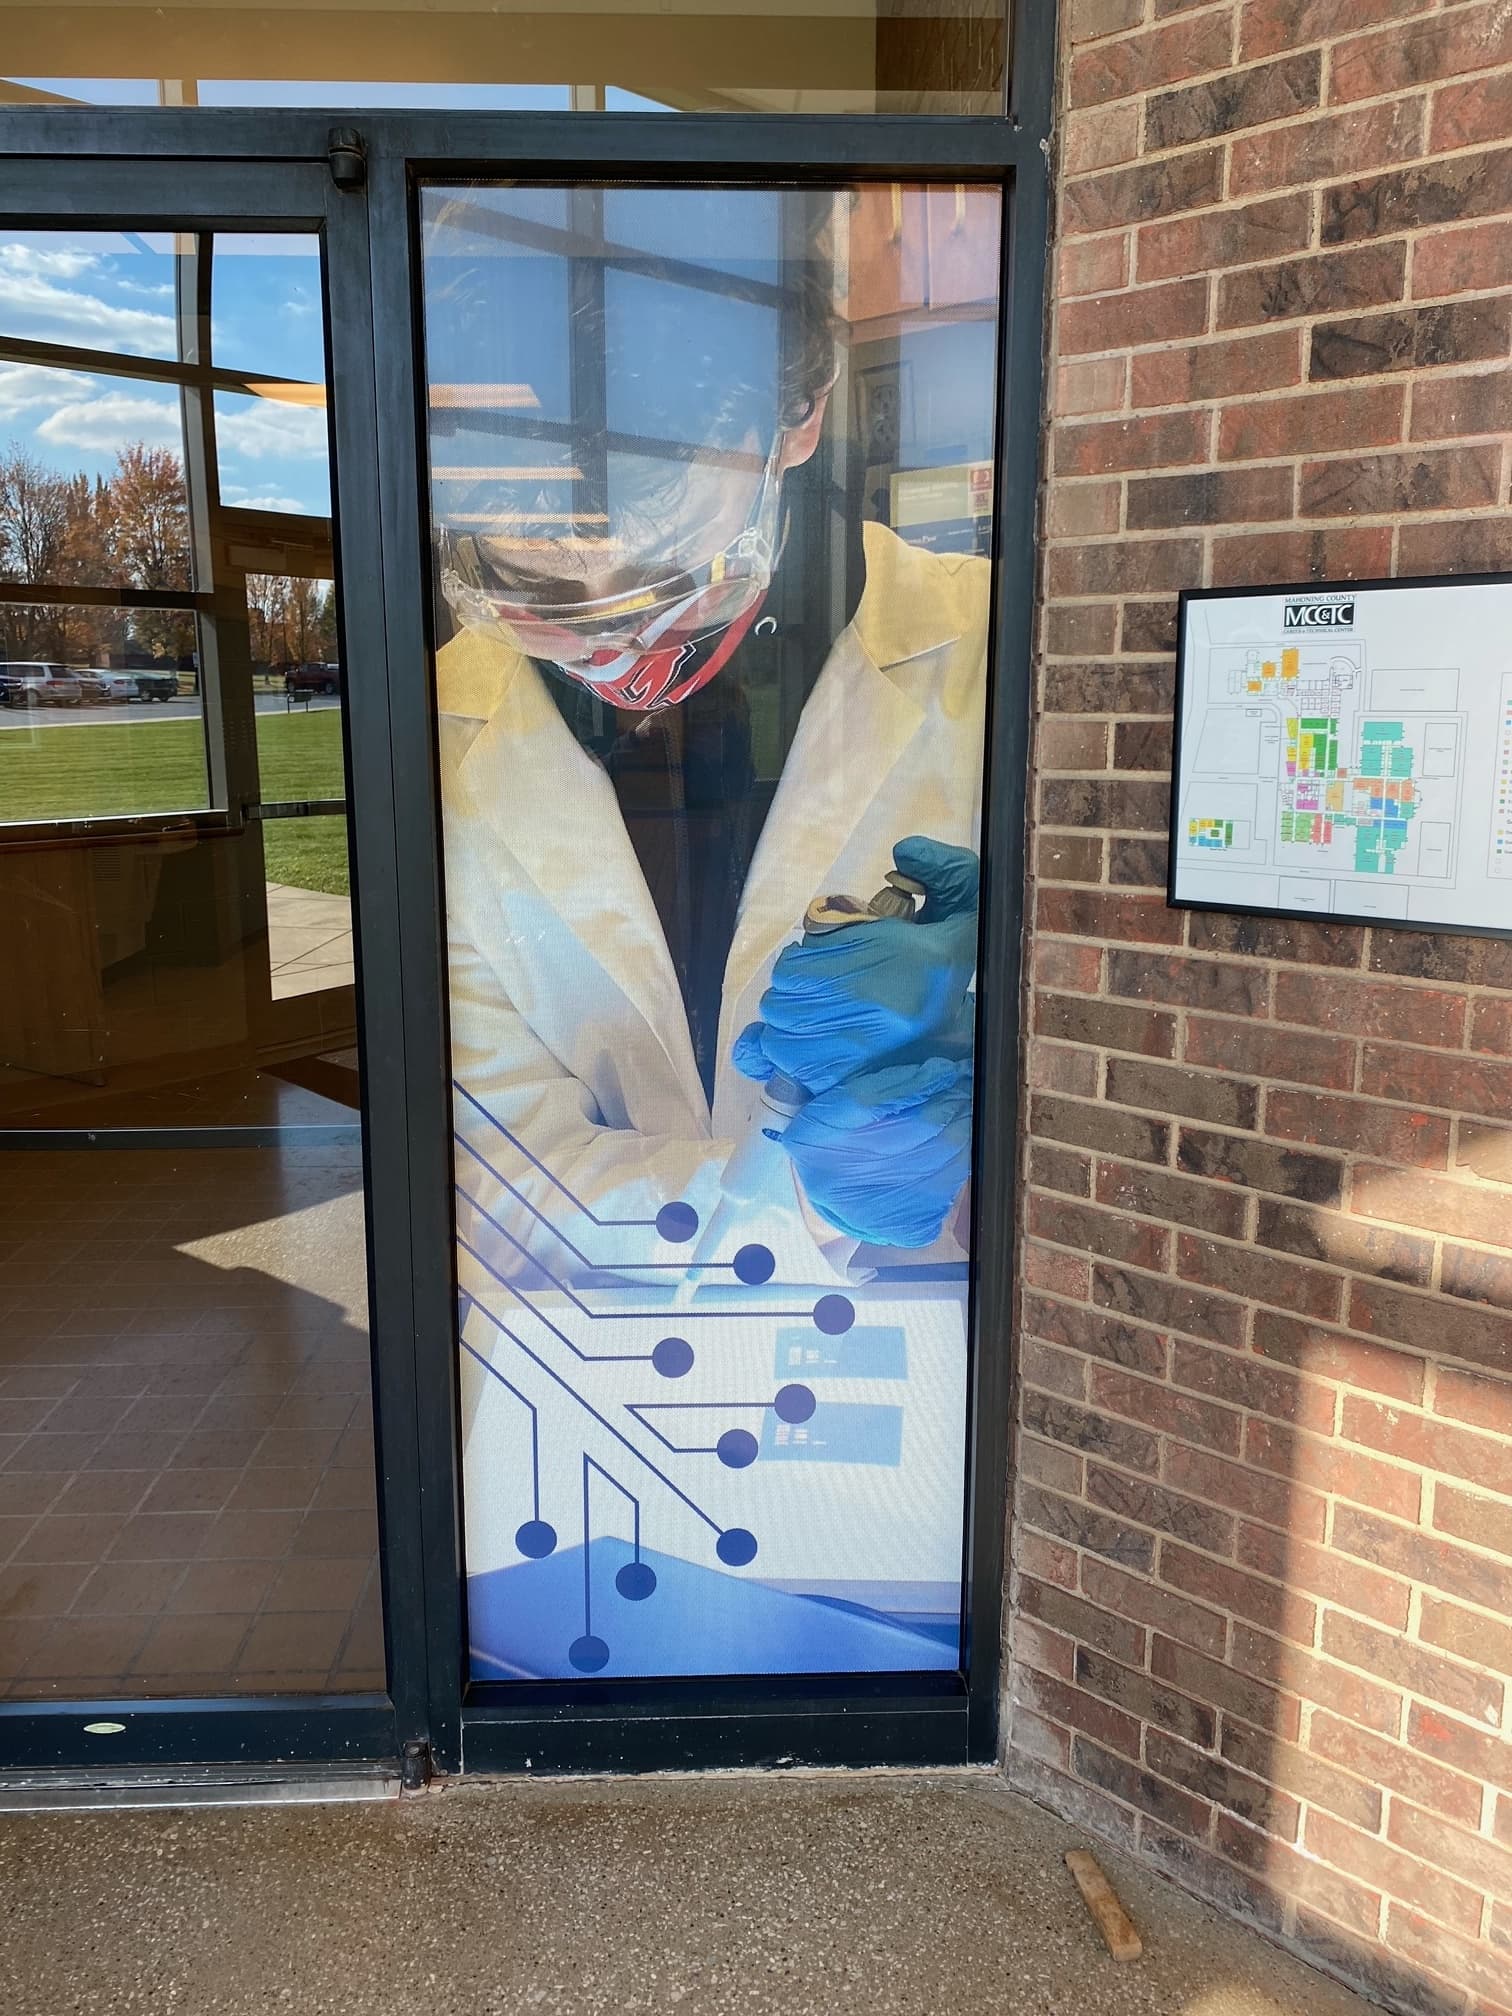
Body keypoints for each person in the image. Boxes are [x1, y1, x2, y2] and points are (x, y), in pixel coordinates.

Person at [429, 186, 990, 1287]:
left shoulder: (1009, 655)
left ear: (799, 418)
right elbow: (492, 1173)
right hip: (590, 1395)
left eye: (660, 576)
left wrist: (993, 1084)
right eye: (529, 589)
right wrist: (803, 1208)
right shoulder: (435, 736)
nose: (608, 649)